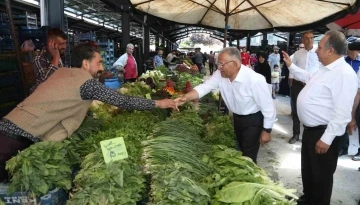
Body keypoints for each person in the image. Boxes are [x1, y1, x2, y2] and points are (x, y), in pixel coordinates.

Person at [0, 43, 177, 182]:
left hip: (10, 124)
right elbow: (123, 101)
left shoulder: (63, 73)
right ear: (86, 63)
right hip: (15, 137)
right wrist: (159, 103)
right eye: (99, 62)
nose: (102, 67)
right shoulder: (87, 83)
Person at [282, 31, 357, 205]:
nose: (316, 50)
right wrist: (291, 66)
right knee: (308, 171)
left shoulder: (344, 74)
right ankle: (308, 198)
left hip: (323, 134)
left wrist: (327, 138)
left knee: (321, 176)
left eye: (320, 47)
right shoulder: (325, 69)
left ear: (331, 51)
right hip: (311, 131)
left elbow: (343, 112)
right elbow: (308, 77)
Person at [175, 47, 276, 163]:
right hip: (237, 118)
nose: (219, 68)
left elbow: (268, 107)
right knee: (240, 149)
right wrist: (185, 98)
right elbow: (205, 87)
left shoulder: (255, 80)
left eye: (222, 64)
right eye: (218, 64)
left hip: (253, 120)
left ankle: (252, 176)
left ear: (235, 64)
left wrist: (266, 131)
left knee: (249, 156)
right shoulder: (220, 74)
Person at [288, 31, 319, 144]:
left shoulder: (318, 53)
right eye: (307, 38)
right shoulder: (297, 54)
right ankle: (296, 134)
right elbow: (292, 69)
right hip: (297, 85)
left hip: (312, 85)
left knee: (311, 109)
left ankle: (309, 135)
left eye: (311, 38)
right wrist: (291, 83)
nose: (309, 40)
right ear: (302, 40)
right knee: (296, 110)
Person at [31, 28, 67, 93]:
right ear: (51, 43)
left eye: (65, 43)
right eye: (61, 44)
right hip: (43, 97)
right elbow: (45, 84)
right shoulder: (39, 59)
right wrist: (56, 58)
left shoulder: (61, 54)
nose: (65, 47)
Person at [339, 48, 360, 157]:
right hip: (344, 95)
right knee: (343, 120)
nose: (357, 54)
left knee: (354, 121)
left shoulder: (359, 63)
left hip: (356, 96)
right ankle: (343, 147)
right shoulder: (342, 61)